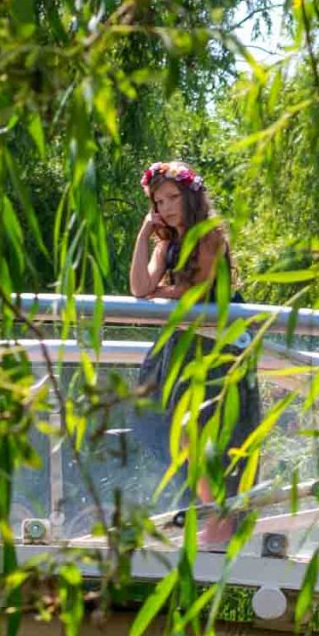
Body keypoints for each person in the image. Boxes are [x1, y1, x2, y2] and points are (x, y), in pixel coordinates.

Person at [126, 160, 259, 549]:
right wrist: (145, 235)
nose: (166, 207)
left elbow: (198, 292)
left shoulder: (209, 235)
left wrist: (159, 293)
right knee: (173, 428)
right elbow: (139, 288)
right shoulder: (168, 242)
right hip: (184, 342)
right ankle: (215, 511)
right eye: (158, 201)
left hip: (216, 344)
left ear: (190, 196)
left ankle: (221, 517)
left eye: (172, 198)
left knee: (206, 430)